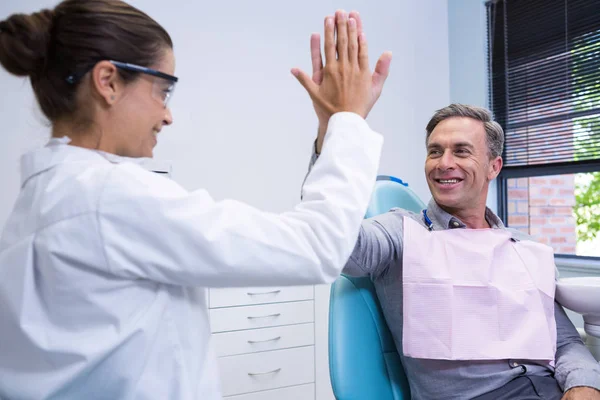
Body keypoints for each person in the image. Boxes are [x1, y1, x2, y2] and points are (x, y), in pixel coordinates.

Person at [0, 1, 392, 398]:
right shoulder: (107, 196)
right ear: (109, 81)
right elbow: (317, 247)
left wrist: (332, 131)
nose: (167, 116)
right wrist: (348, 119)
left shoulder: (39, 199)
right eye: (163, 90)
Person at [307, 101, 600, 400]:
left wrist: (583, 384)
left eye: (461, 151)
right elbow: (332, 242)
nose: (443, 162)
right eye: (435, 151)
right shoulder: (401, 233)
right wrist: (333, 134)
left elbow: (564, 341)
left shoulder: (523, 247)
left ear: (493, 166)